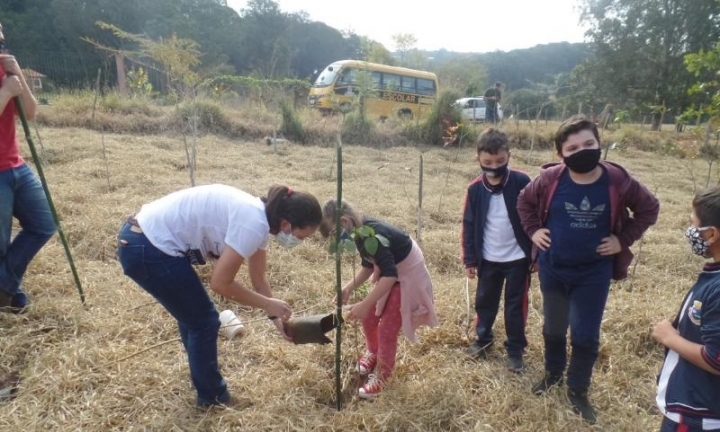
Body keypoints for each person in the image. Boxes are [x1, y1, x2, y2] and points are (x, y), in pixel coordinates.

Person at [117, 184, 322, 407]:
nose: (301, 242)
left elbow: (259, 279)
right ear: (286, 224)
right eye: (302, 236)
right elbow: (221, 283)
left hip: (144, 239)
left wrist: (277, 321)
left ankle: (202, 379)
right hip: (147, 247)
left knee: (193, 314)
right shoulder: (253, 224)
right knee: (204, 322)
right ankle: (213, 398)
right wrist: (268, 304)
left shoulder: (259, 220)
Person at [517, 115, 659, 423]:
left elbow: (649, 208)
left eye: (589, 144)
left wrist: (623, 240)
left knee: (584, 334)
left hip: (593, 274)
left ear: (599, 144)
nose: (582, 151)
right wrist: (533, 231)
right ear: (561, 154)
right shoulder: (551, 179)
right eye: (573, 147)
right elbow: (524, 203)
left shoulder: (617, 181)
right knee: (553, 328)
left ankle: (577, 390)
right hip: (554, 269)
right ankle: (553, 374)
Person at [320, 199, 438, 399]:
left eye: (334, 233)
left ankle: (383, 374)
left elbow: (390, 276)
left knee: (386, 328)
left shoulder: (372, 236)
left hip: (406, 278)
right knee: (369, 318)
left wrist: (365, 304)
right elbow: (369, 264)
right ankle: (373, 352)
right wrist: (348, 287)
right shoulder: (360, 233)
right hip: (391, 274)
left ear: (344, 221)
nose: (335, 240)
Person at [461, 128, 532, 373]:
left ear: (509, 156)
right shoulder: (474, 190)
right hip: (488, 260)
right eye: (488, 162)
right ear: (478, 159)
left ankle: (515, 350)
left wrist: (536, 254)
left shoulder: (522, 182)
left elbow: (535, 218)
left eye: (500, 161)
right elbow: (469, 225)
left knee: (515, 306)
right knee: (485, 302)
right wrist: (470, 259)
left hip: (518, 259)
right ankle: (482, 340)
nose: (494, 166)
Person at [653, 187, 720, 432]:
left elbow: (717, 359)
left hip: (700, 415)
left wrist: (669, 338)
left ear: (711, 233)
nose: (690, 230)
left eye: (693, 224)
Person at [0, 21, 55, 313]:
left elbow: (31, 113)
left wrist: (17, 75)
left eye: (1, 32)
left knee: (44, 223)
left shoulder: (6, 70)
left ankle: (5, 286)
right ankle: (10, 293)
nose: (1, 38)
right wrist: (6, 93)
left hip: (15, 165)